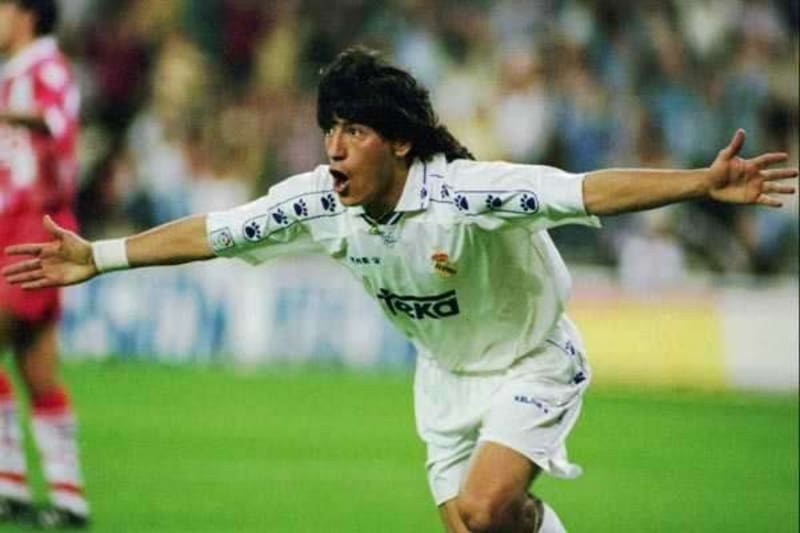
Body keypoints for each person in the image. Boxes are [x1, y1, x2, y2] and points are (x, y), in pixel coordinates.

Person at [3, 47, 797, 533]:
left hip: (532, 359)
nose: (334, 145)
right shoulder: (317, 198)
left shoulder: (468, 192)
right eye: (330, 128)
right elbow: (215, 231)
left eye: (355, 130)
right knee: (482, 526)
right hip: (444, 380)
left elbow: (584, 190)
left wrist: (700, 182)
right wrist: (98, 256)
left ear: (401, 142)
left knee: (485, 509)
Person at [0, 0, 89, 528]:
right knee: (35, 368)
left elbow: (58, 122)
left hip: (38, 224)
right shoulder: (15, 72)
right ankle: (65, 493)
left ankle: (7, 477)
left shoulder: (46, 67)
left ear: (27, 14)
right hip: (14, 225)